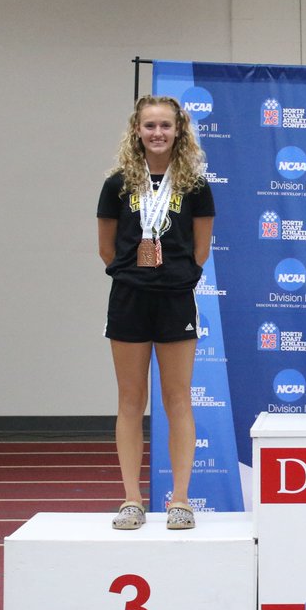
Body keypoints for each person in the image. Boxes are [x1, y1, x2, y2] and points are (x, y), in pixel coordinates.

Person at [97, 95, 215, 528]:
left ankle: (180, 500)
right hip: (129, 299)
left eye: (166, 125)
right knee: (130, 400)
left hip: (175, 300)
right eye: (150, 126)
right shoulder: (117, 185)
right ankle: (132, 499)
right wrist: (133, 274)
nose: (158, 133)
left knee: (177, 399)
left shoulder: (195, 186)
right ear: (137, 131)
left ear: (179, 131)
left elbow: (200, 249)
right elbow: (106, 247)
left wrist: (176, 276)